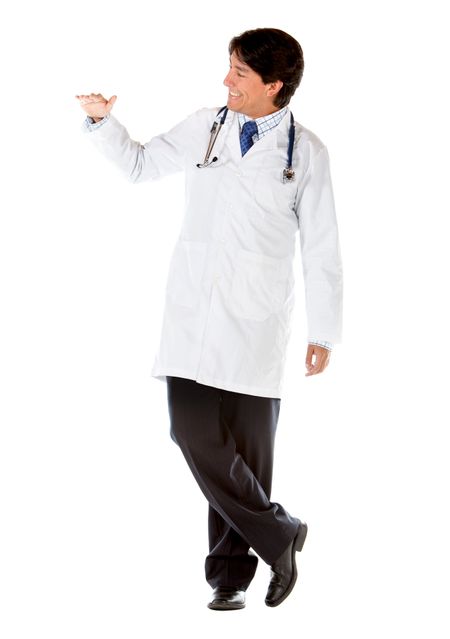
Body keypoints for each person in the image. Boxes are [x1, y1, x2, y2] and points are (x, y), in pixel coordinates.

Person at [76, 27, 343, 610]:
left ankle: (229, 577)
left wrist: (324, 331)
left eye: (240, 73)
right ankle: (280, 533)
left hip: (257, 323)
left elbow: (321, 247)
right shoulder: (207, 126)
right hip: (194, 316)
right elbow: (140, 166)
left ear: (274, 85)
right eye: (229, 67)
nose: (227, 81)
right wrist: (102, 123)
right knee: (191, 432)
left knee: (248, 452)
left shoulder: (306, 153)